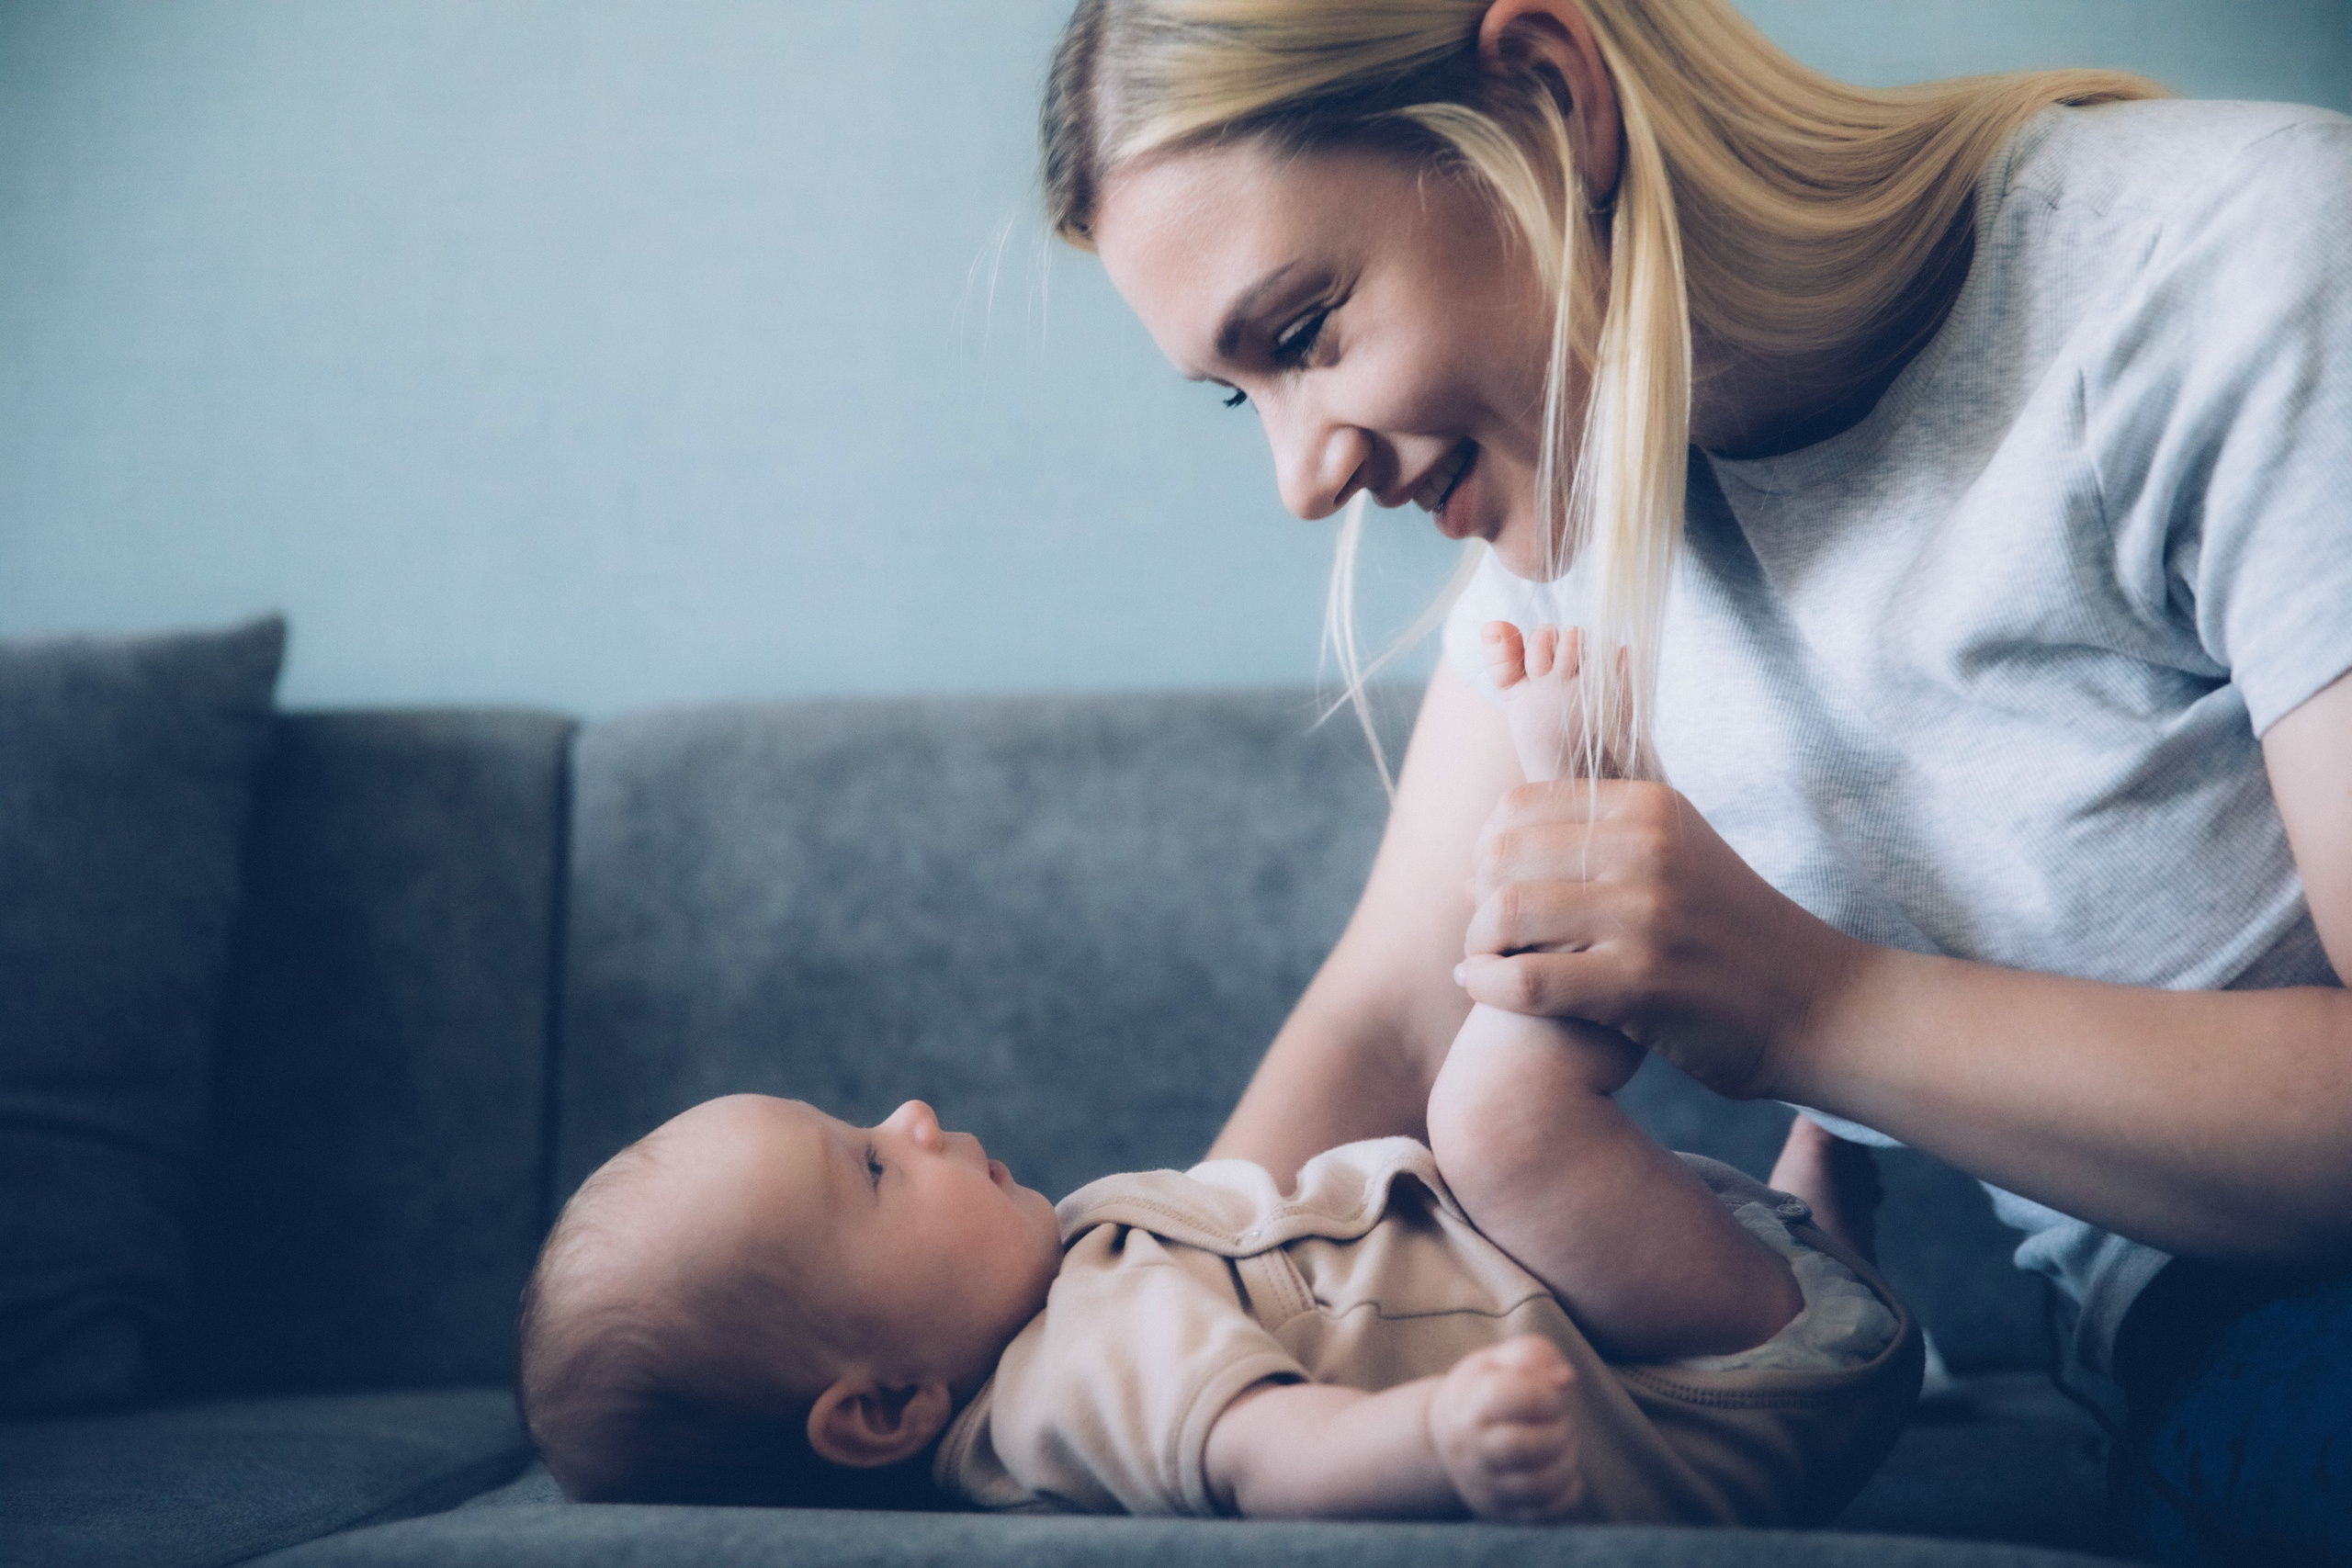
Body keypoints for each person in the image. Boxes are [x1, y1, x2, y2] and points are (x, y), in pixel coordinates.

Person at [1039, 1, 2352, 1562]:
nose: (1302, 474)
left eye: (1309, 330)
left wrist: (1814, 1008)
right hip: (2210, 1349)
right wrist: (1094, 1339)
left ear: (1549, 96)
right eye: (1235, 391)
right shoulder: (1563, 505)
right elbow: (1387, 1023)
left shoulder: (2229, 262)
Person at [516, 671, 1922, 1516]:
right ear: (884, 1408)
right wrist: (1432, 1437)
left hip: (1728, 1329)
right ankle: (1598, 810)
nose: (912, 1117)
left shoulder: (1083, 1270)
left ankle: (1828, 1194)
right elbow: (1268, 1458)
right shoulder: (1068, 1379)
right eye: (870, 1169)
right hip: (1732, 1399)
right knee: (1495, 1122)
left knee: (1492, 1153)